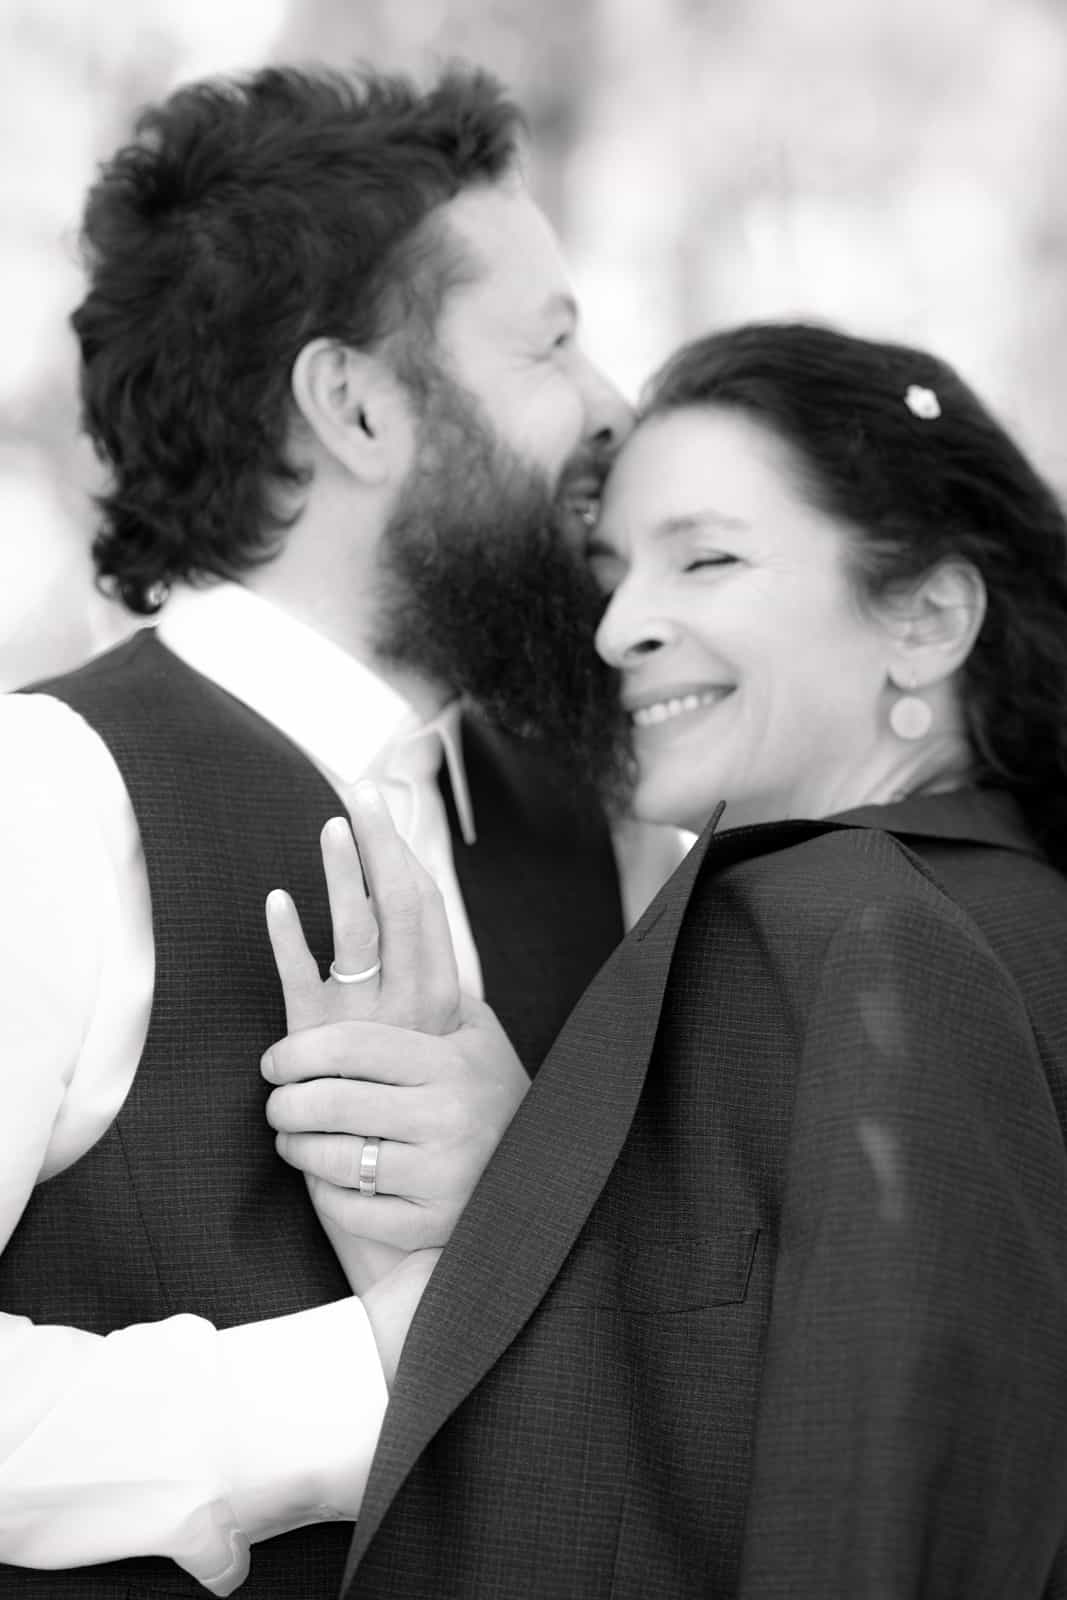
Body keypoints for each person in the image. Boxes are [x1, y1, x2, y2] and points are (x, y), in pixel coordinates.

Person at [0, 62, 682, 1599]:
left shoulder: (564, 811)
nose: (611, 406)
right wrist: (386, 1364)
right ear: (356, 406)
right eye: (549, 345)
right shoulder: (44, 795)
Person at [269, 322, 1067, 1597]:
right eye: (611, 570)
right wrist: (531, 1185)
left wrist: (508, 1214)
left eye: (706, 558)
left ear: (925, 618)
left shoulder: (855, 928)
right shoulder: (1002, 909)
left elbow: (870, 1510)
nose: (616, 629)